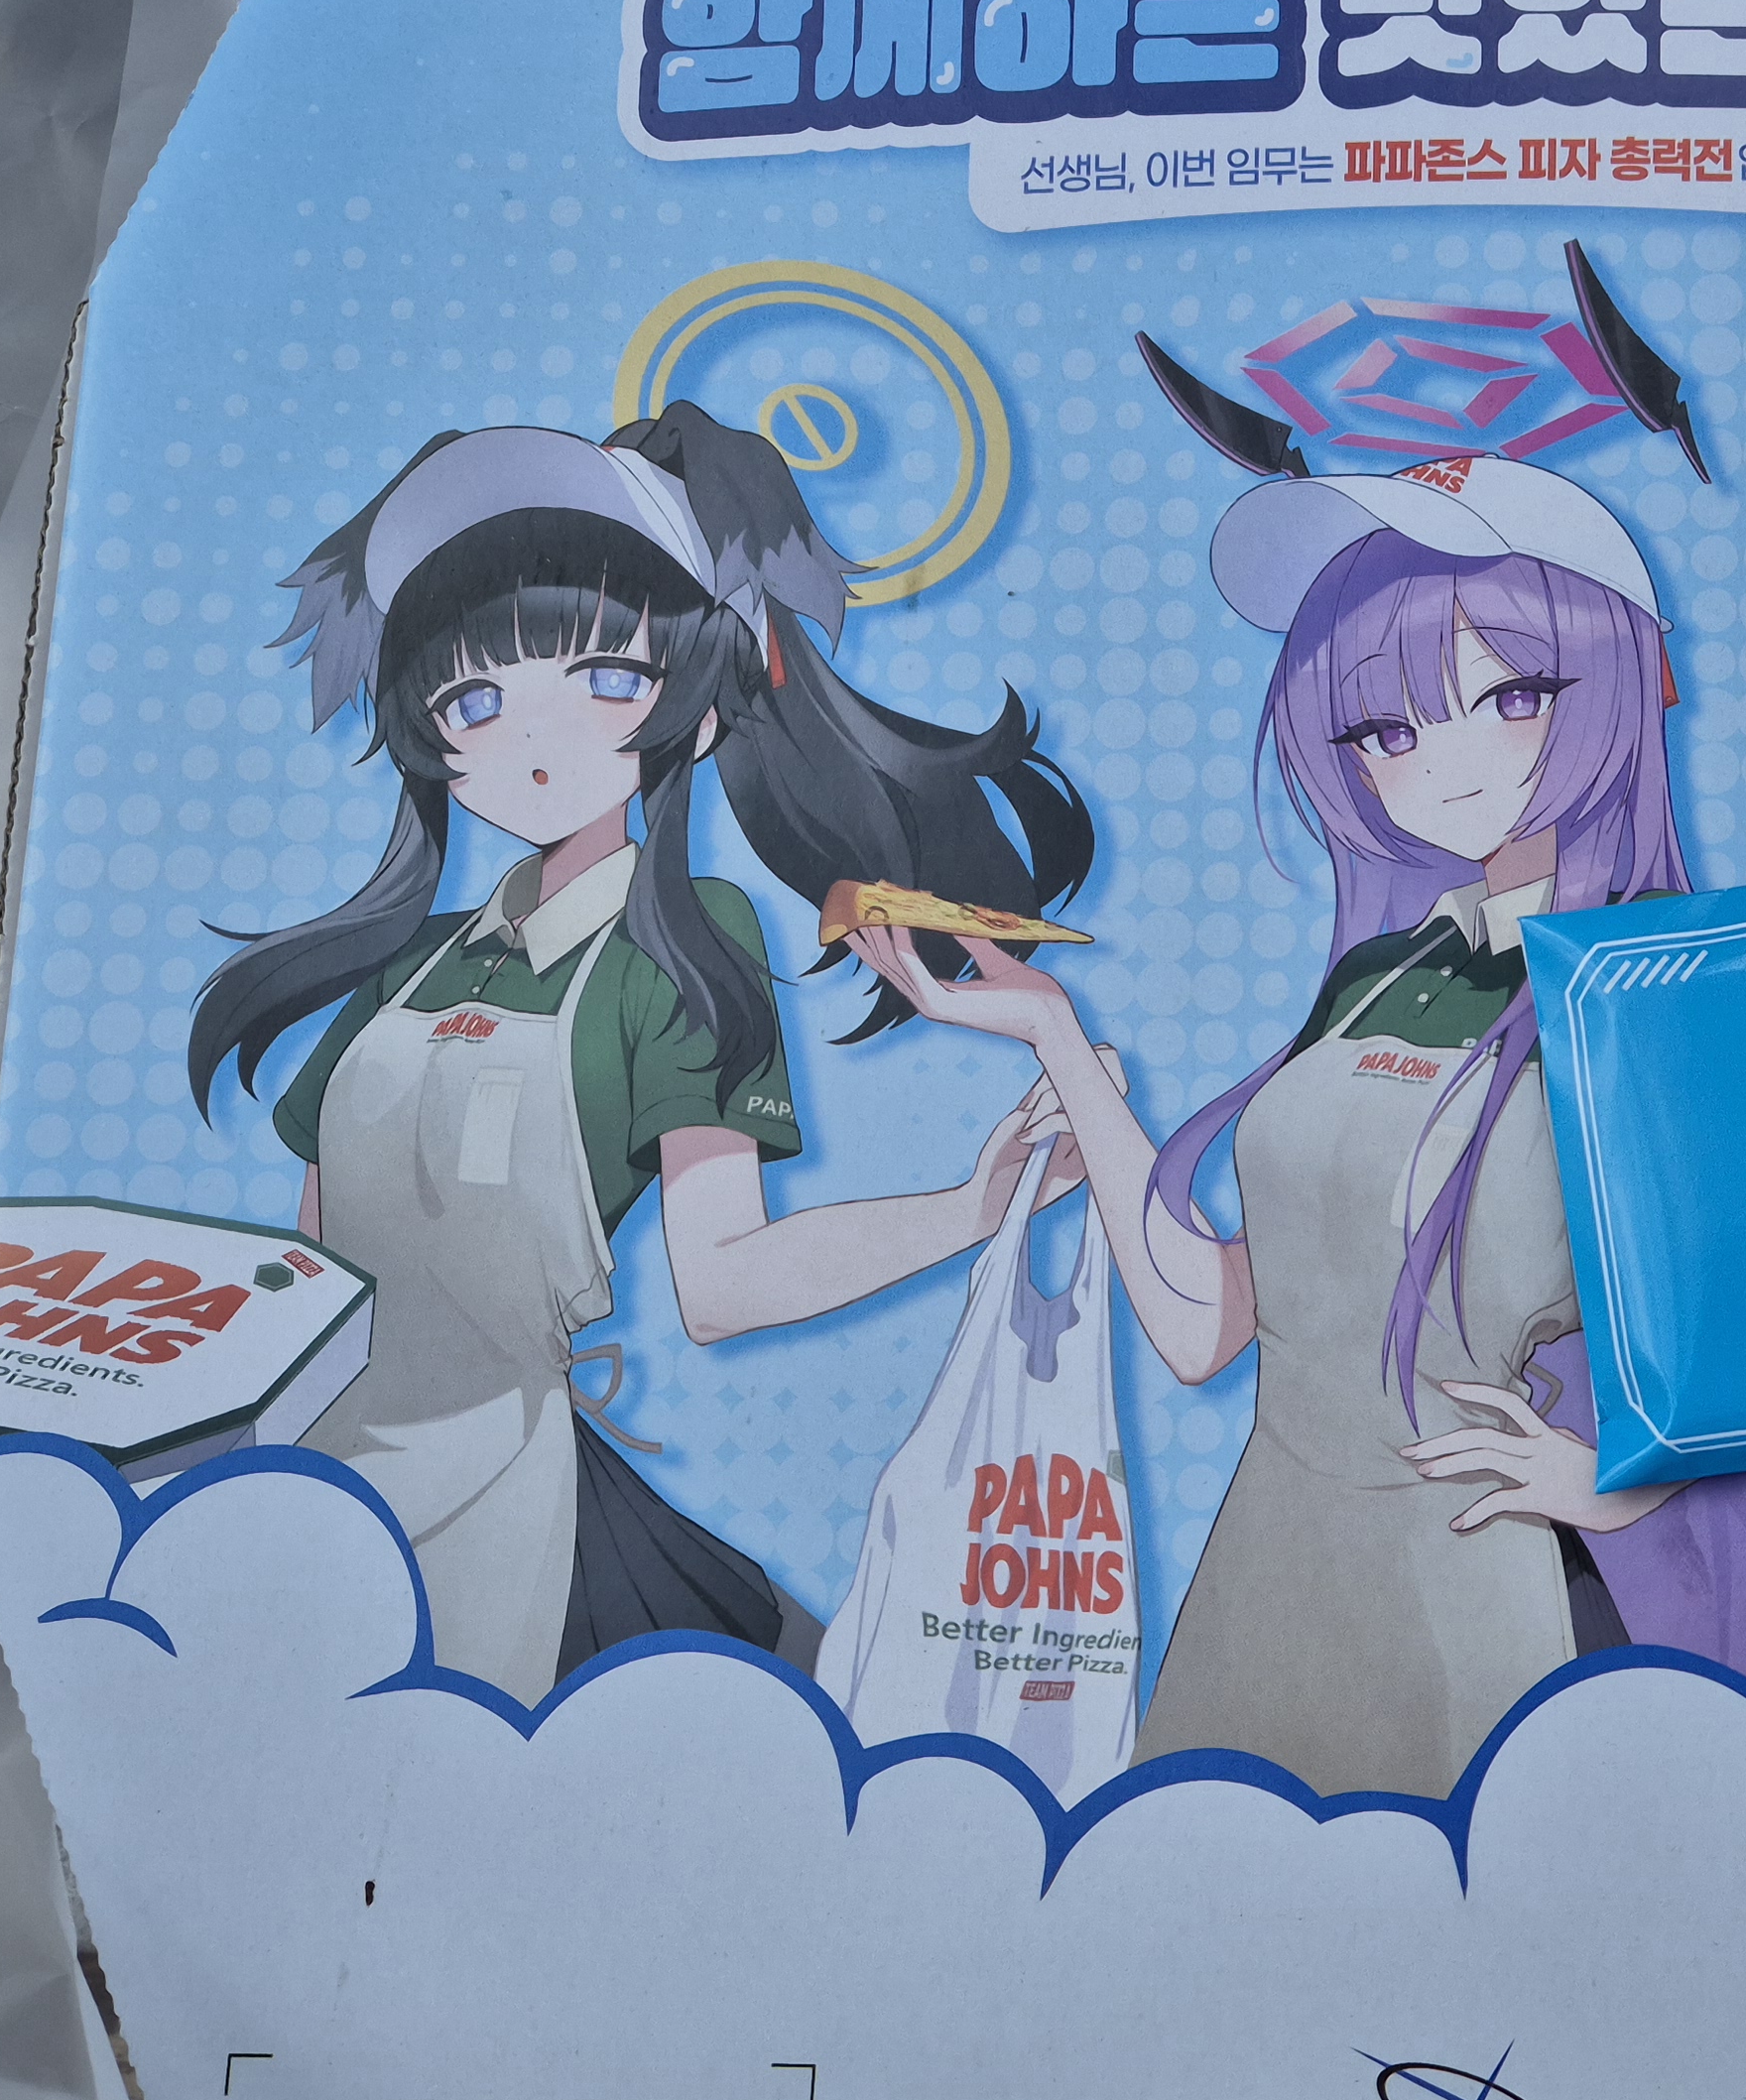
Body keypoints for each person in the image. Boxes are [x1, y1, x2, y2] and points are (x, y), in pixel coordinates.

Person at [858, 449, 1746, 1820]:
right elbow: (1207, 1326)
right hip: (1278, 1574)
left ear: (1617, 690)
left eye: (1510, 698)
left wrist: (1617, 1486)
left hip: (1492, 1588)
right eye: (1385, 726)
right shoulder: (1381, 980)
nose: (1441, 762)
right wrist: (1053, 1034)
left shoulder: (1663, 993)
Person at [186, 406, 1094, 1703]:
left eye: (606, 680)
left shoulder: (680, 949)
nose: (534, 740)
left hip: (502, 1500)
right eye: (477, 699)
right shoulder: (413, 964)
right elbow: (308, 1261)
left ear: (699, 709)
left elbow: (721, 1284)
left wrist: (969, 1210)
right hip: (304, 1480)